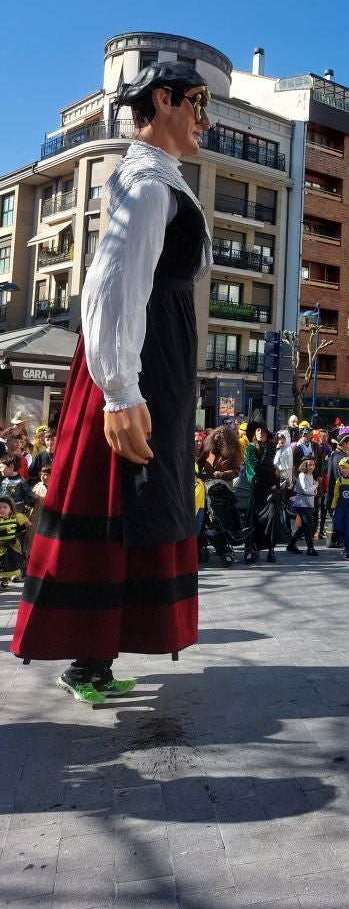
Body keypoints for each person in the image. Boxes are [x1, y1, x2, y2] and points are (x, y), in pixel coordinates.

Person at [12, 59, 212, 704]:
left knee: (142, 501)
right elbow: (112, 285)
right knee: (120, 498)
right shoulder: (147, 186)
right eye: (199, 103)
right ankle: (85, 658)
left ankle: (95, 659)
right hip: (139, 363)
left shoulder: (160, 182)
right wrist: (121, 391)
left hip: (158, 360)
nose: (206, 120)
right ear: (165, 99)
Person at [244, 421, 281, 563]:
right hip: (257, 489)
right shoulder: (251, 449)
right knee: (254, 519)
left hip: (271, 489)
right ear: (254, 433)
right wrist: (273, 471)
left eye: (263, 431)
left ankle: (271, 549)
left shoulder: (272, 448)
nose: (260, 433)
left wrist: (275, 480)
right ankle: (253, 547)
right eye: (258, 430)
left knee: (272, 518)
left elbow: (279, 467)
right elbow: (255, 469)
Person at [287, 456, 319, 556]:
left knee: (304, 527)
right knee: (308, 526)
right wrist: (315, 486)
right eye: (309, 464)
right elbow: (306, 490)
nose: (311, 467)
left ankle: (291, 545)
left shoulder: (310, 475)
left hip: (308, 503)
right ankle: (310, 548)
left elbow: (312, 491)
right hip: (302, 504)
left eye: (313, 465)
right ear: (304, 464)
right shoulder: (302, 475)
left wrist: (314, 489)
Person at [0, 494, 28, 589]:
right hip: (1, 546)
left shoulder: (14, 518)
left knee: (11, 563)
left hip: (11, 545)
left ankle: (8, 579)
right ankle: (3, 581)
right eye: (0, 507)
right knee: (2, 565)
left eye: (5, 507)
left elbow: (22, 526)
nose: (2, 509)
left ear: (10, 509)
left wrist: (25, 524)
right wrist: (2, 530)